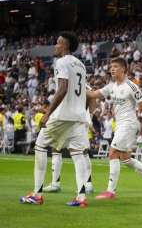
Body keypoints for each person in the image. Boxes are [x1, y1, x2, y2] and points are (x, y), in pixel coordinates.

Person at [20, 32, 90, 207]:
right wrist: (82, 111)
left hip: (63, 114)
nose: (55, 46)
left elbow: (63, 88)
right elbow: (85, 93)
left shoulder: (62, 62)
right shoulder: (81, 65)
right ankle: (81, 197)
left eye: (58, 43)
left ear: (65, 46)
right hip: (79, 116)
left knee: (40, 146)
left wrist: (47, 113)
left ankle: (37, 194)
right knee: (77, 153)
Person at [89, 57, 142, 200]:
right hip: (121, 125)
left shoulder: (131, 86)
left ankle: (110, 191)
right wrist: (78, 88)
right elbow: (94, 94)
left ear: (123, 69)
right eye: (111, 66)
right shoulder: (111, 86)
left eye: (115, 66)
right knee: (125, 159)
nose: (112, 69)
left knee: (112, 153)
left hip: (129, 124)